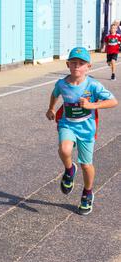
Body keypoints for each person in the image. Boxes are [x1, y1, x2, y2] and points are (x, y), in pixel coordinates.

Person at [46, 47, 117, 215]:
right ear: (68, 64)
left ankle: (87, 192)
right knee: (64, 149)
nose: (77, 66)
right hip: (68, 124)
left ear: (88, 67)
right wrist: (51, 109)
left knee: (86, 165)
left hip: (86, 129)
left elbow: (113, 101)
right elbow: (54, 94)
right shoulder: (62, 84)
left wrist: (92, 105)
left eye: (81, 63)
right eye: (74, 63)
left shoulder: (93, 85)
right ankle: (70, 170)